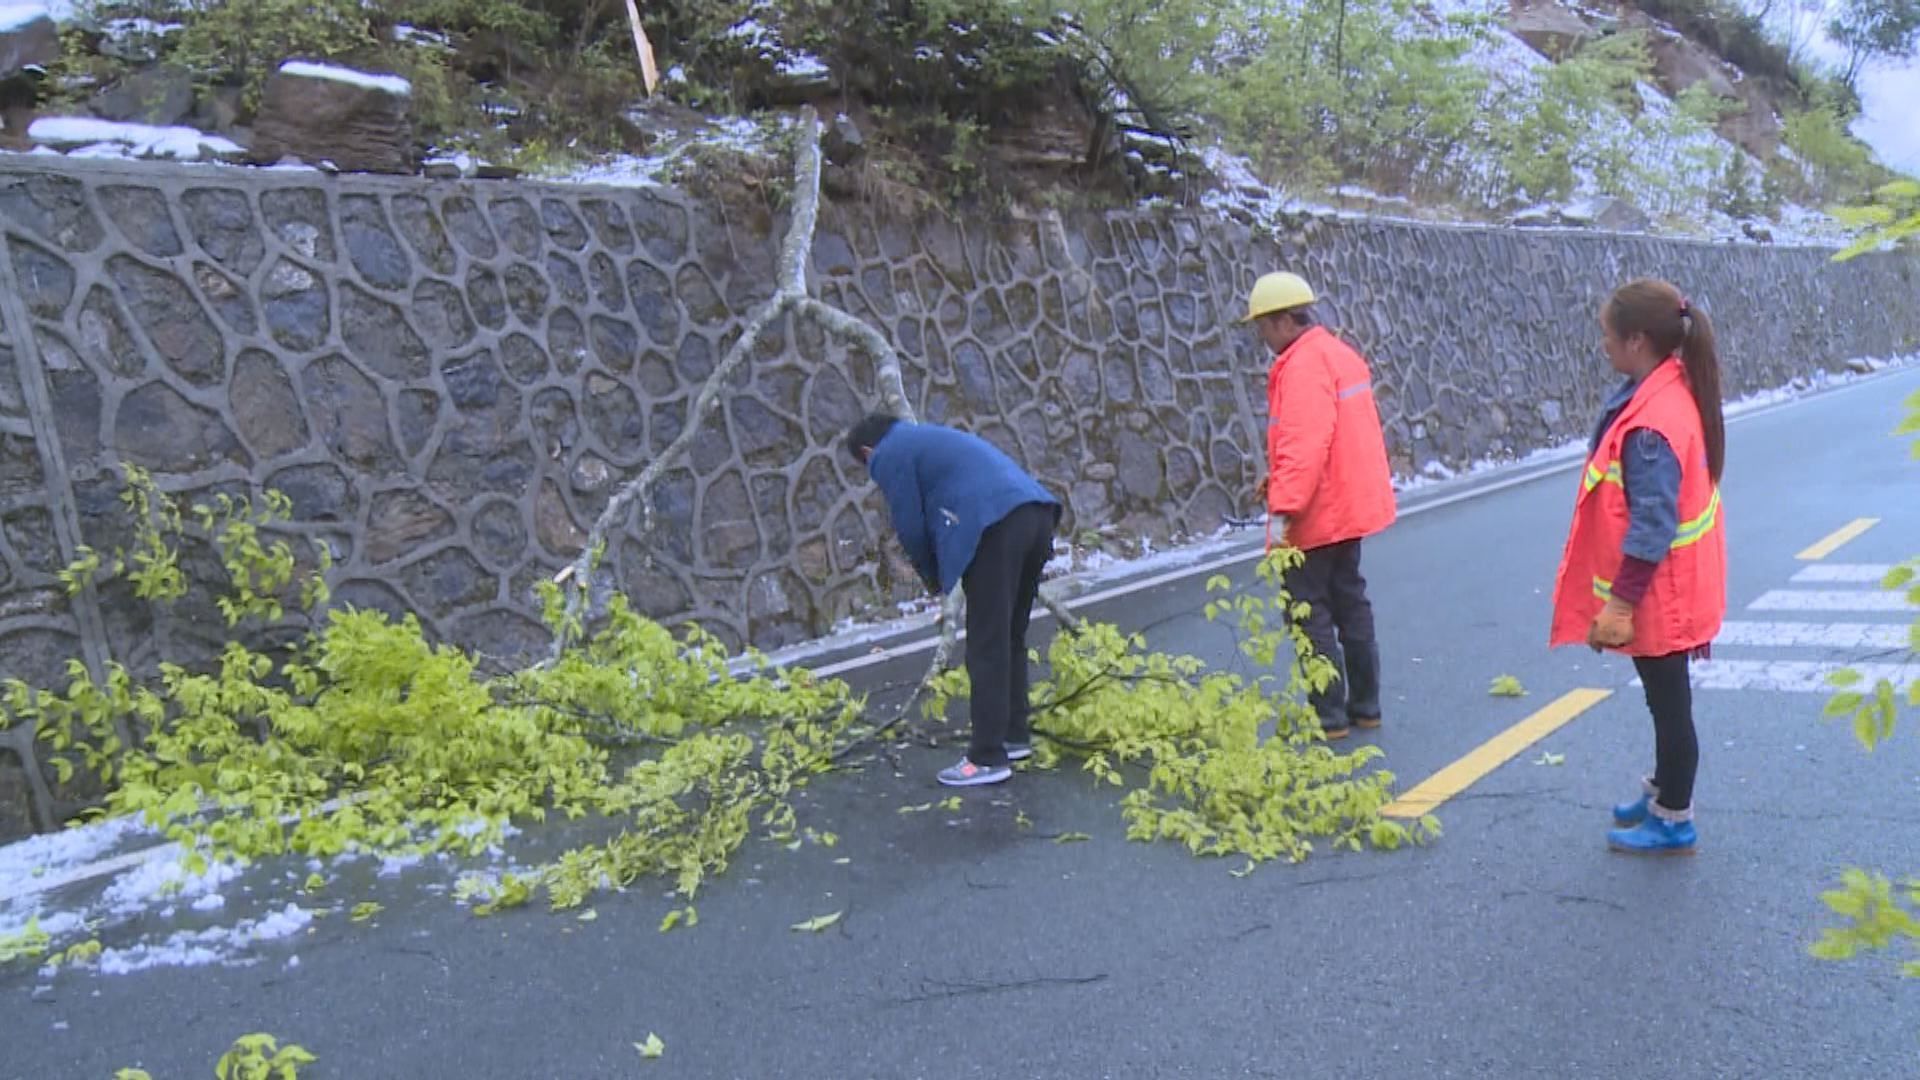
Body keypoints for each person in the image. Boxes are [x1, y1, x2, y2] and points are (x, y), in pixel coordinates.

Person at [1549, 278, 1727, 855]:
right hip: (1671, 585)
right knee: (1663, 702)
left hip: (1660, 592)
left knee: (1671, 707)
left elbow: (1652, 522)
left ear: (1637, 340)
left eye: (1607, 336)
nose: (1602, 346)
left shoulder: (1651, 425)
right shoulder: (1665, 389)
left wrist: (1621, 603)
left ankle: (1674, 816)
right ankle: (1662, 791)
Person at [845, 414, 1062, 787]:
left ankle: (986, 758)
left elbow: (911, 523)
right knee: (1009, 635)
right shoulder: (926, 437)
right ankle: (1012, 737)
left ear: (867, 452)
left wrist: (934, 580)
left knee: (986, 643)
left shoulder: (890, 453)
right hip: (1037, 514)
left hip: (995, 525)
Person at [1245, 272, 1398, 739]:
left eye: (1262, 327)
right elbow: (1333, 440)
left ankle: (1329, 717)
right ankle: (1365, 707)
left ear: (1281, 321)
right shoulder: (1338, 354)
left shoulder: (1303, 365)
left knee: (1308, 611)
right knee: (1350, 600)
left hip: (1317, 509)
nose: (1261, 337)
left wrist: (1283, 504)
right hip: (1348, 504)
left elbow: (1304, 442)